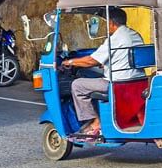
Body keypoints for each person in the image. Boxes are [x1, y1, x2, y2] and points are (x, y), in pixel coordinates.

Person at [61, 7, 144, 136]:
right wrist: (106, 64)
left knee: (77, 85)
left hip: (117, 83)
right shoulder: (134, 34)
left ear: (111, 23)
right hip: (136, 81)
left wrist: (70, 62)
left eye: (107, 23)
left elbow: (91, 61)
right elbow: (125, 57)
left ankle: (96, 122)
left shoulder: (115, 38)